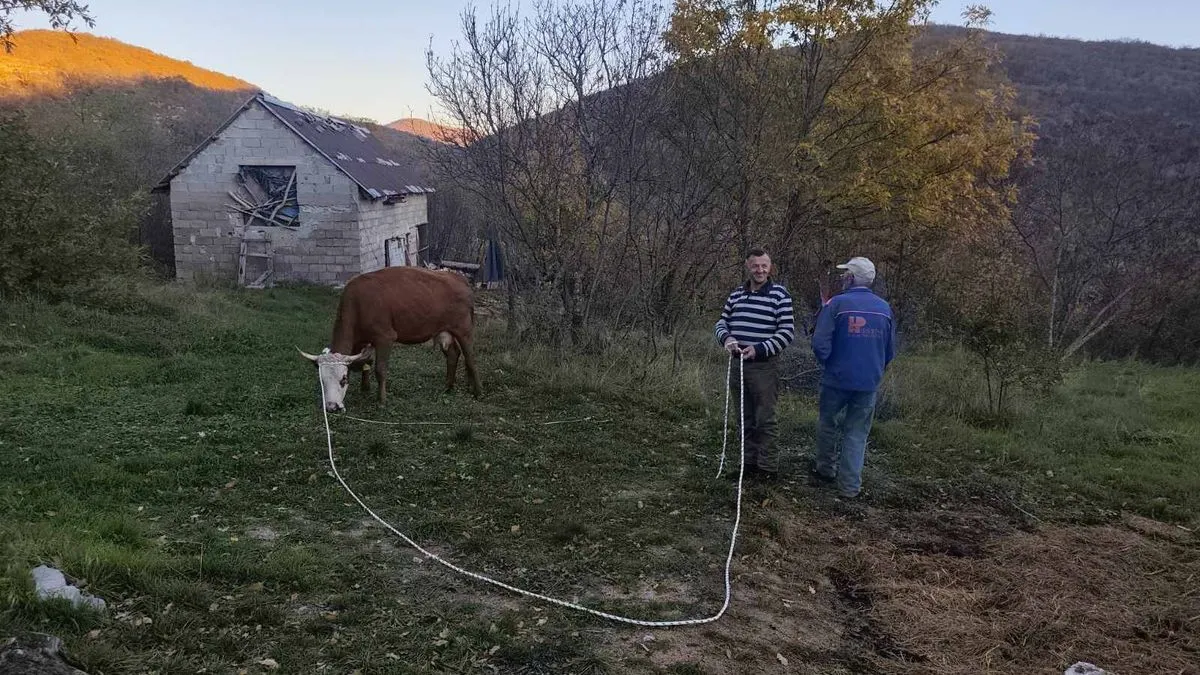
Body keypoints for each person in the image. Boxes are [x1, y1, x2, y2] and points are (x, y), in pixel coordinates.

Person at [810, 256, 895, 499]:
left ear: (851, 277)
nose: (842, 277)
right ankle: (849, 487)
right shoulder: (884, 308)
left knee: (828, 423)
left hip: (836, 379)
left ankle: (825, 470)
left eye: (845, 273)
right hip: (868, 382)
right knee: (857, 433)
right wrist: (874, 369)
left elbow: (820, 342)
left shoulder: (837, 304)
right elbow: (890, 350)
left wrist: (829, 363)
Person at [714, 247, 796, 479]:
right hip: (738, 364)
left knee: (765, 419)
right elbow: (721, 322)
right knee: (744, 417)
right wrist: (727, 338)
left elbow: (787, 332)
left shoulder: (780, 295)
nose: (760, 270)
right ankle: (747, 464)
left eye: (764, 266)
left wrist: (759, 349)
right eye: (755, 266)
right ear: (748, 267)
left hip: (764, 367)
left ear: (770, 268)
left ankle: (767, 468)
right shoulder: (736, 294)